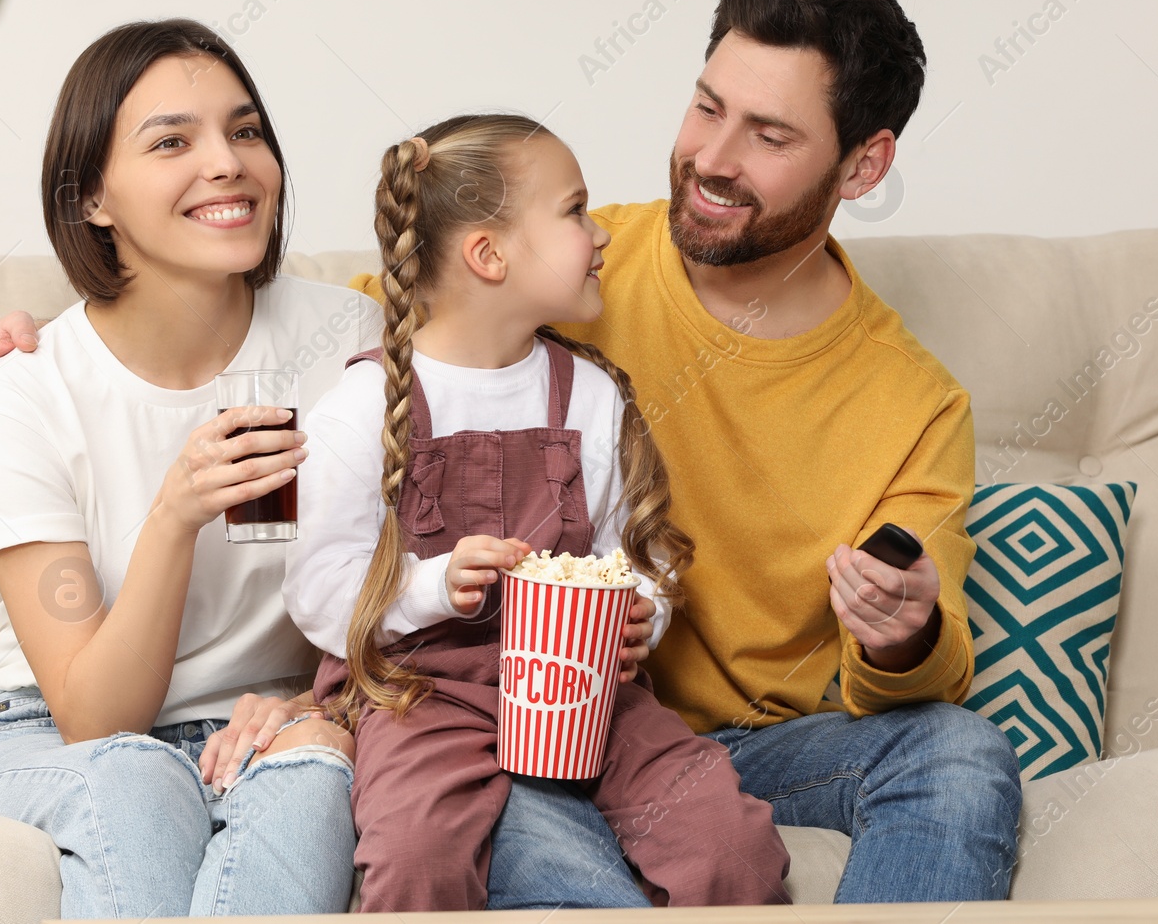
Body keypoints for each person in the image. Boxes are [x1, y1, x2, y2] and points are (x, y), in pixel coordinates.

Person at [0, 0, 1024, 903]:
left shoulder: (911, 400)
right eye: (705, 106)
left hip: (687, 723)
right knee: (534, 852)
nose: (710, 157)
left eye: (770, 133)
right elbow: (235, 312)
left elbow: (926, 666)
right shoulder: (539, 275)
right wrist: (32, 343)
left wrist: (901, 631)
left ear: (863, 165)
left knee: (963, 758)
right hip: (487, 703)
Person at [0, 19, 374, 918]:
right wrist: (175, 513)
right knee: (136, 778)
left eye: (246, 132)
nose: (228, 163)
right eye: (173, 140)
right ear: (92, 197)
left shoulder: (349, 341)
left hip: (265, 723)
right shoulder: (23, 394)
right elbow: (97, 713)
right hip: (56, 737)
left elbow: (392, 606)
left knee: (315, 778)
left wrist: (327, 716)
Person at [285, 113, 790, 911]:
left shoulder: (590, 395)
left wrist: (642, 613)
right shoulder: (363, 405)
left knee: (727, 840)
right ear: (488, 254)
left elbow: (638, 551)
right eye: (574, 211)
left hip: (586, 689)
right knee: (415, 852)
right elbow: (317, 591)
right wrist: (433, 584)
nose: (601, 235)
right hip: (422, 694)